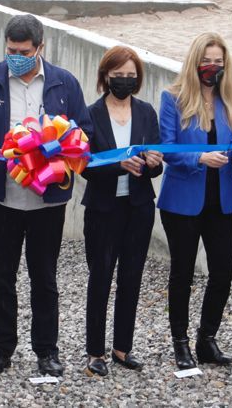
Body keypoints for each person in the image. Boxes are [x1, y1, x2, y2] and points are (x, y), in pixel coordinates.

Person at [0, 14, 93, 377]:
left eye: (24, 52)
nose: (16, 57)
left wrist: (66, 155)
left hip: (48, 200)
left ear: (40, 47)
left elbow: (84, 131)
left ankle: (47, 350)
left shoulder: (64, 83)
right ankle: (1, 349)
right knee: (1, 276)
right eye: (11, 51)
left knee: (44, 277)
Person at [156, 32, 232, 370]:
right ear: (194, 62)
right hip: (181, 202)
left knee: (223, 272)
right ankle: (180, 343)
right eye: (206, 60)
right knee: (182, 273)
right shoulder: (172, 98)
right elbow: (168, 149)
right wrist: (199, 158)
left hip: (221, 201)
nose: (212, 66)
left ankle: (207, 339)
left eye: (218, 61)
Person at [79, 46, 163, 377]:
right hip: (103, 209)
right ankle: (95, 351)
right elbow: (84, 166)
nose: (125, 81)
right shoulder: (90, 114)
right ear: (105, 76)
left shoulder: (146, 112)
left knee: (132, 277)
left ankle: (122, 348)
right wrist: (118, 165)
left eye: (131, 76)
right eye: (118, 75)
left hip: (139, 207)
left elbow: (156, 166)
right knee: (100, 278)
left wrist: (153, 162)